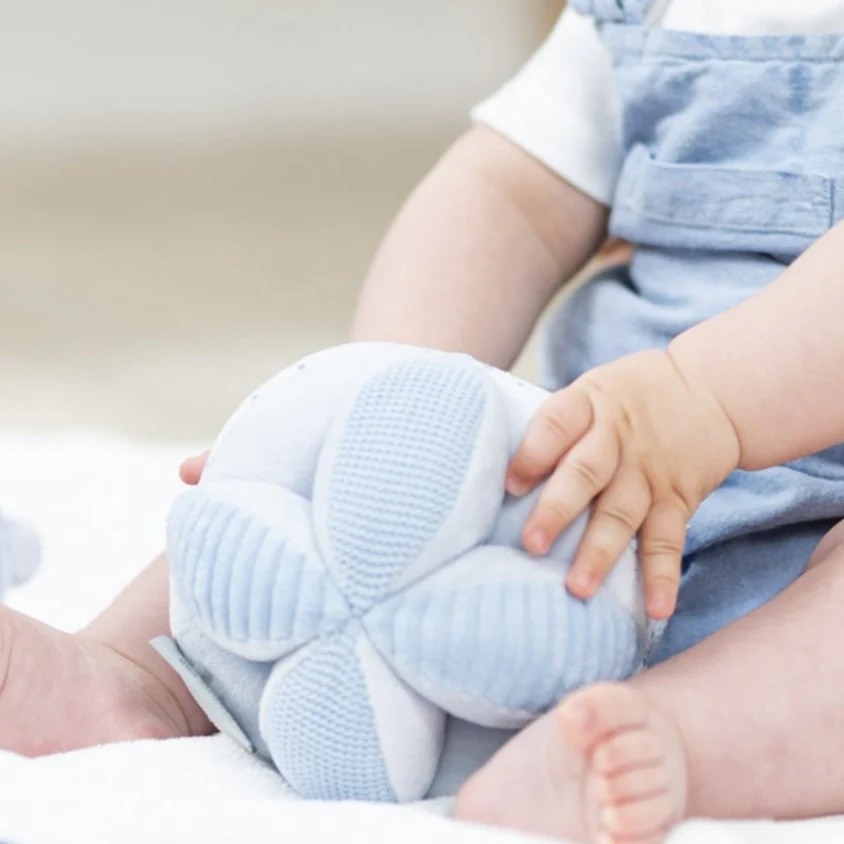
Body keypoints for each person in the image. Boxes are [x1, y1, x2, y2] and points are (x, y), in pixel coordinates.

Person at [3, 1, 844, 842]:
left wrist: (705, 398)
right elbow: (510, 195)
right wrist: (381, 400)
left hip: (814, 520)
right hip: (576, 482)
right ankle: (133, 674)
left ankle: (674, 738)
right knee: (281, 517)